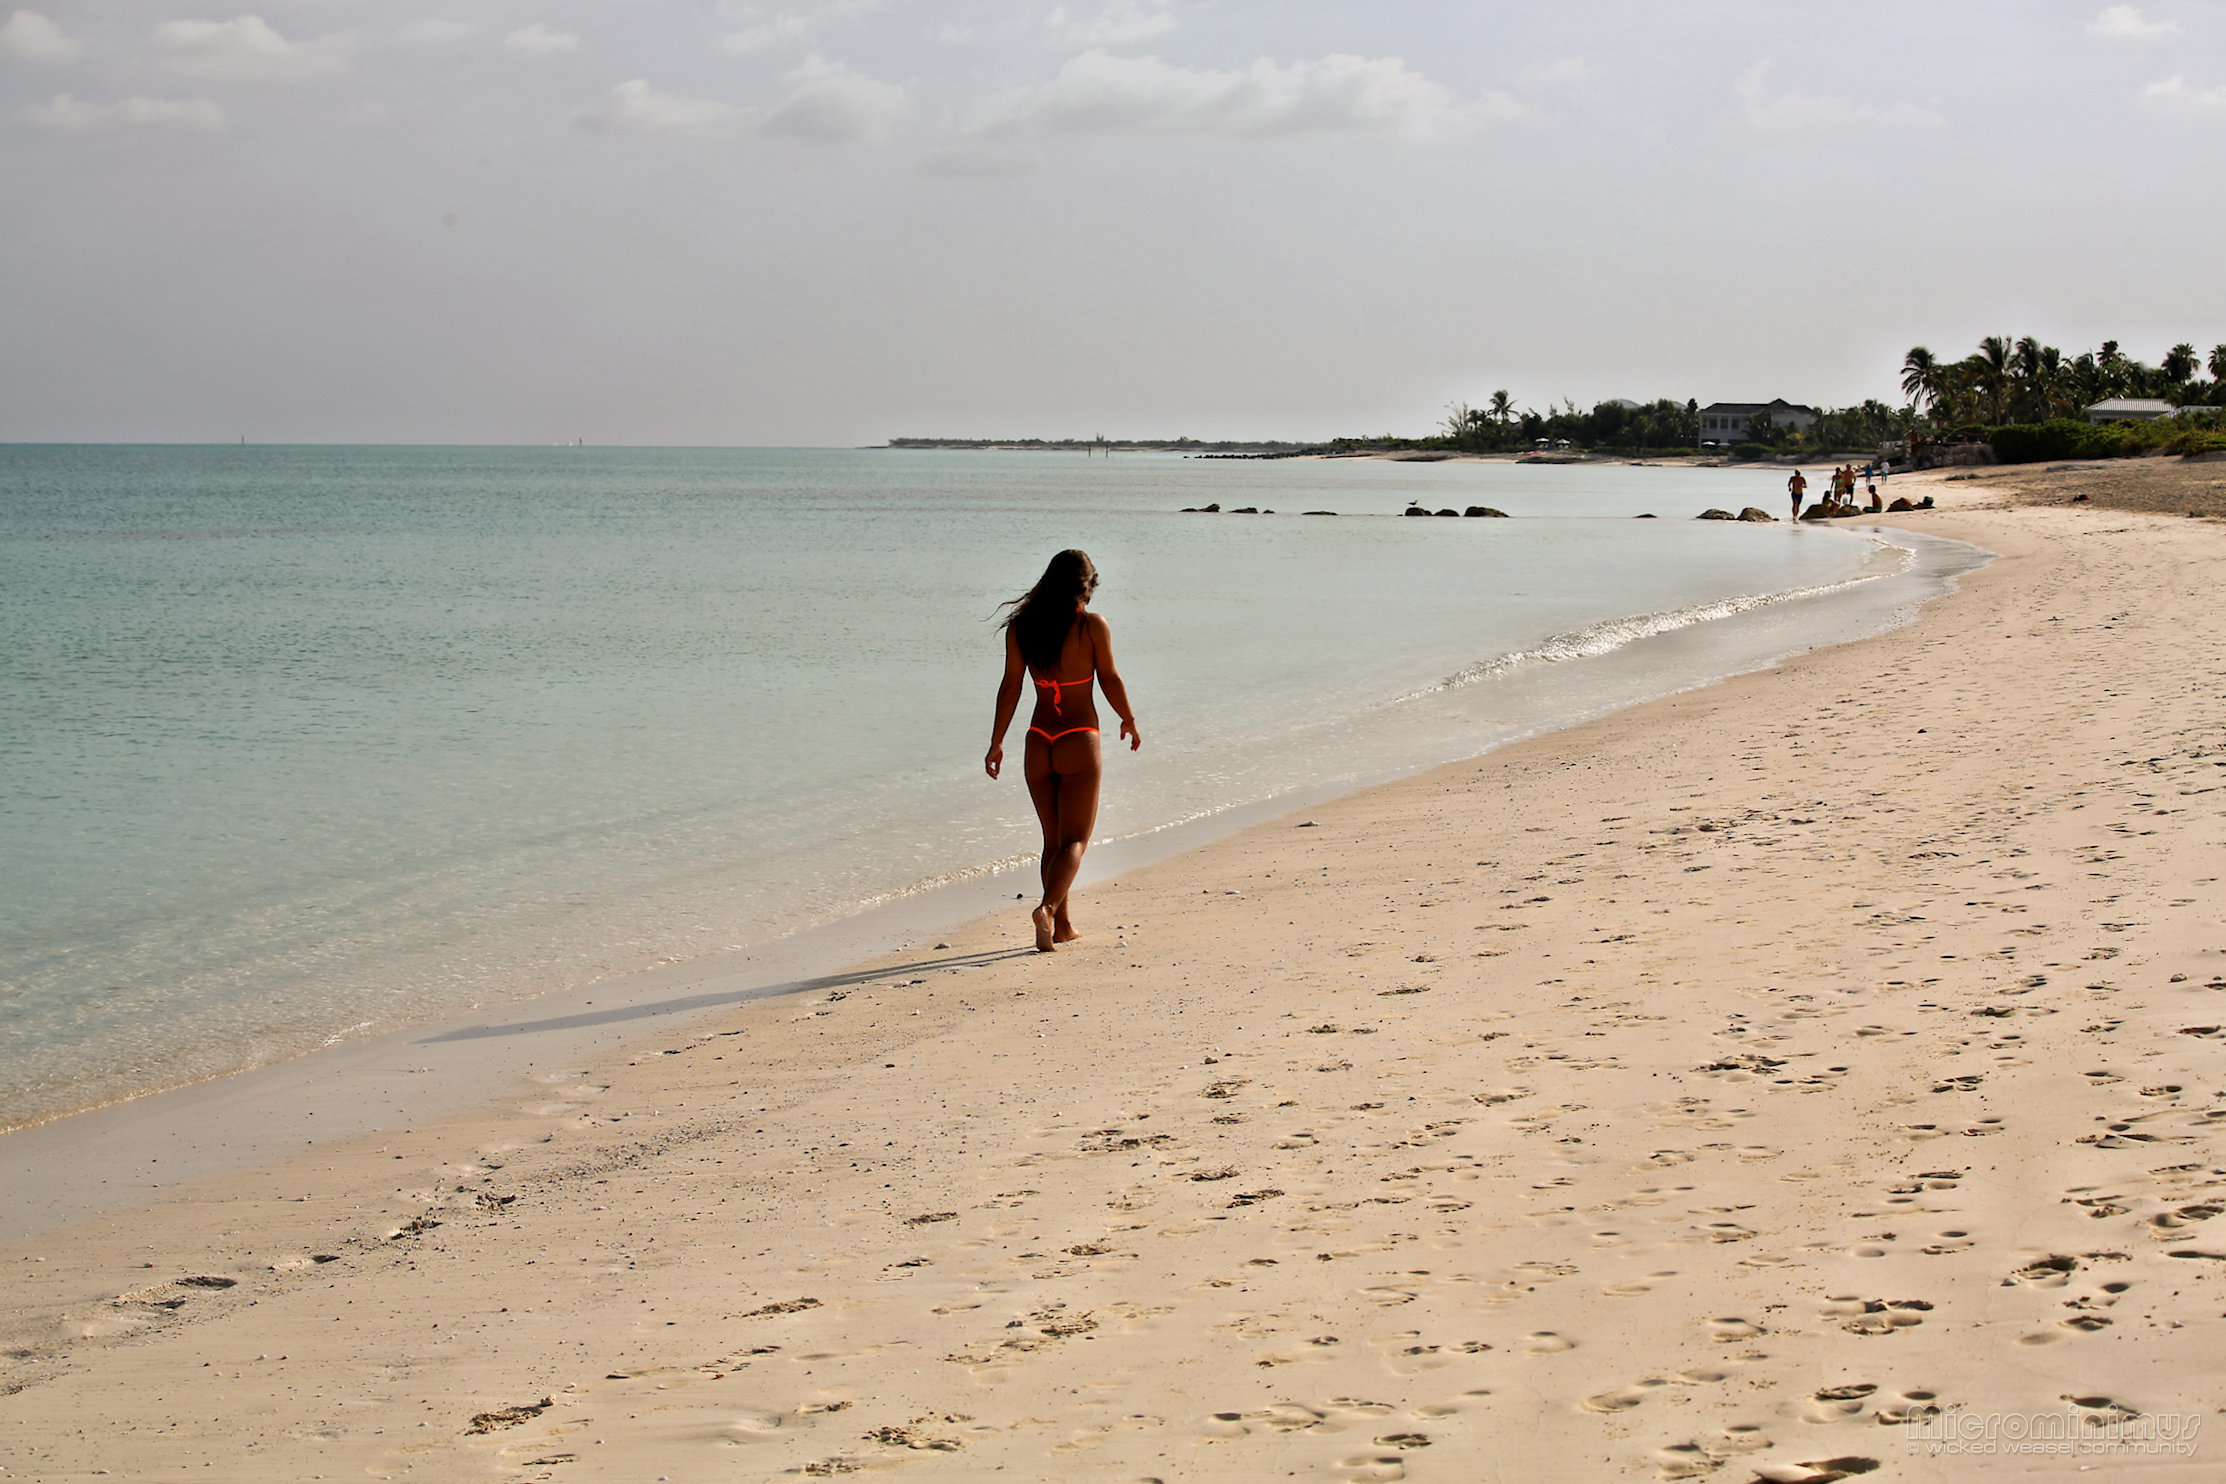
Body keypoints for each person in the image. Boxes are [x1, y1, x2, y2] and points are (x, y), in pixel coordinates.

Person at [985, 549, 1141, 952]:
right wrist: (1128, 718)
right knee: (1075, 841)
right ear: (1086, 587)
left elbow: (1011, 686)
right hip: (1078, 736)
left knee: (1052, 842)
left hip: (1039, 740)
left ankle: (1063, 926)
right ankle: (1048, 909)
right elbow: (1109, 678)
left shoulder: (1021, 627)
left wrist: (996, 741)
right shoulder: (1091, 626)